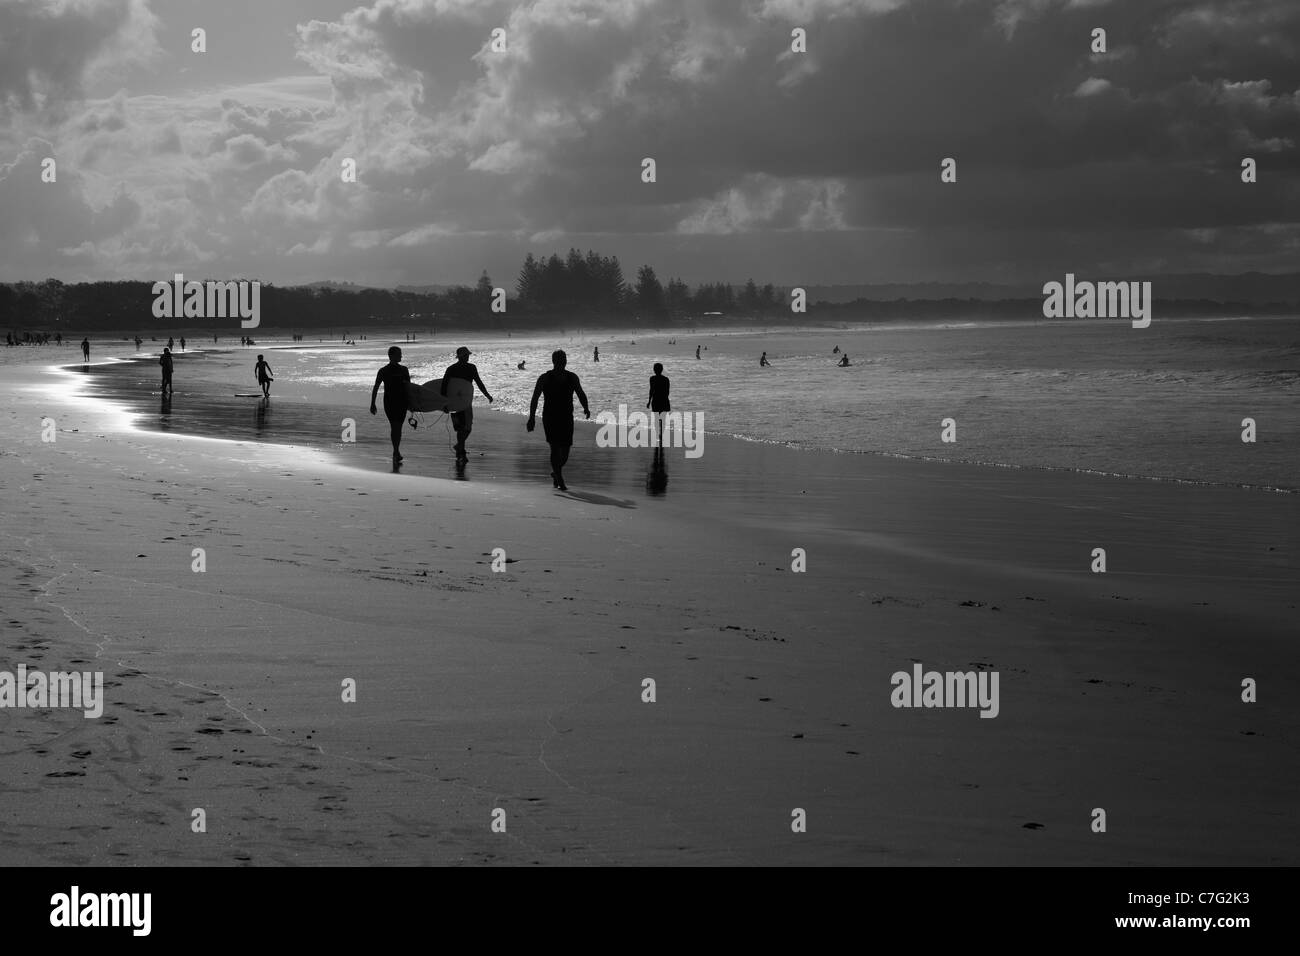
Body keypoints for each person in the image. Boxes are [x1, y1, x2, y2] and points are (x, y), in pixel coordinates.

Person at [527, 350, 589, 492]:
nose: (563, 361)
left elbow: (580, 393)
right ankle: (560, 479)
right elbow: (535, 398)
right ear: (554, 361)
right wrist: (531, 418)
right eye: (560, 359)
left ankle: (556, 472)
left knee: (565, 451)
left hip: (567, 416)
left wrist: (586, 407)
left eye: (564, 359)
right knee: (555, 448)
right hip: (550, 416)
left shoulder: (572, 377)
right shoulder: (545, 378)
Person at [441, 346, 493, 463]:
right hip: (459, 403)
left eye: (468, 355)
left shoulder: (464, 368)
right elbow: (444, 386)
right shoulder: (456, 369)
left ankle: (460, 448)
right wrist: (444, 403)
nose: (468, 357)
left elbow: (478, 382)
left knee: (464, 428)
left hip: (460, 402)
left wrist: (487, 395)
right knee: (463, 427)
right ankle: (461, 451)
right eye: (466, 355)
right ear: (460, 356)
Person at [370, 346, 411, 462]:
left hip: (402, 402)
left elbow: (409, 388)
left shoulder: (404, 370)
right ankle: (396, 451)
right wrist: (372, 404)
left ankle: (396, 451)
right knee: (395, 426)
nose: (401, 356)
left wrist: (412, 403)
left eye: (401, 354)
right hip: (390, 402)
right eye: (399, 354)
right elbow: (376, 387)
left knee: (399, 427)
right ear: (391, 356)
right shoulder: (383, 371)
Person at [647, 362, 670, 446]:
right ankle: (661, 435)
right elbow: (667, 392)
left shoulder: (652, 378)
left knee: (657, 419)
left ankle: (657, 435)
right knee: (662, 420)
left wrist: (649, 401)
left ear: (654, 370)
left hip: (656, 400)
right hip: (664, 400)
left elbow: (651, 391)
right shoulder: (666, 379)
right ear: (662, 370)